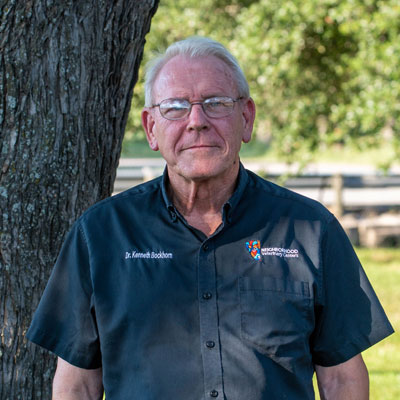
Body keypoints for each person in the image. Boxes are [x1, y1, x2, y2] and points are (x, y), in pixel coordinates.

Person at [27, 37, 394, 400]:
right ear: (151, 128)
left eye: (216, 103)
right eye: (175, 107)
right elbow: (77, 386)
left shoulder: (311, 231)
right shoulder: (100, 235)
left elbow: (342, 381)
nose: (197, 121)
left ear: (246, 118)